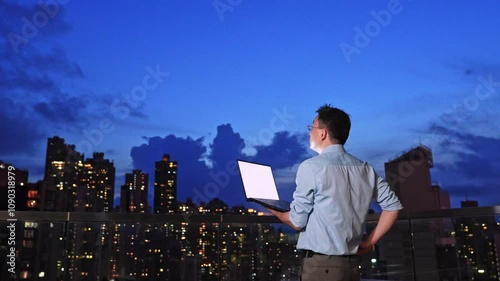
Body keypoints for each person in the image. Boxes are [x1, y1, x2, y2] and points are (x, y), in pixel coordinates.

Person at [267, 104, 403, 281]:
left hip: (321, 268)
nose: (309, 132)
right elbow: (393, 206)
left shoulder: (311, 167)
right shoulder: (364, 169)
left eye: (312, 127)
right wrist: (370, 242)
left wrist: (273, 209)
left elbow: (297, 221)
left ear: (322, 133)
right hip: (352, 266)